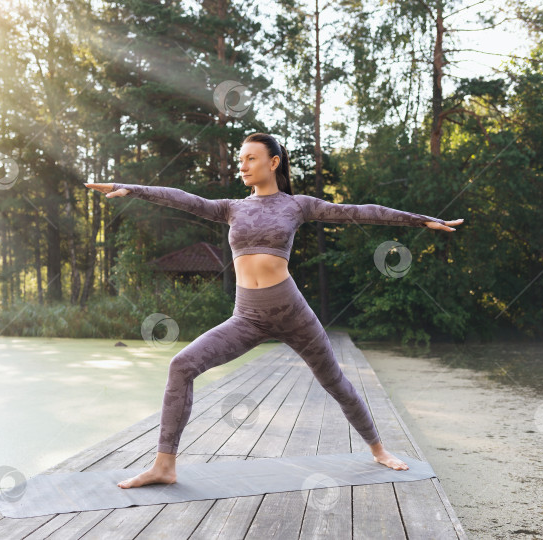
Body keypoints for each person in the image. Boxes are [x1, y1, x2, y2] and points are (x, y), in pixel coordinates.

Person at [84, 132, 463, 489]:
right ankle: (164, 467)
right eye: (240, 160)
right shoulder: (232, 208)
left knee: (336, 383)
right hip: (246, 317)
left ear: (274, 162)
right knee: (181, 365)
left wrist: (419, 220)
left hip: (291, 311)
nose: (243, 166)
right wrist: (134, 189)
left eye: (251, 159)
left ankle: (378, 450)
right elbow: (185, 199)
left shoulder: (298, 205)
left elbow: (360, 211)